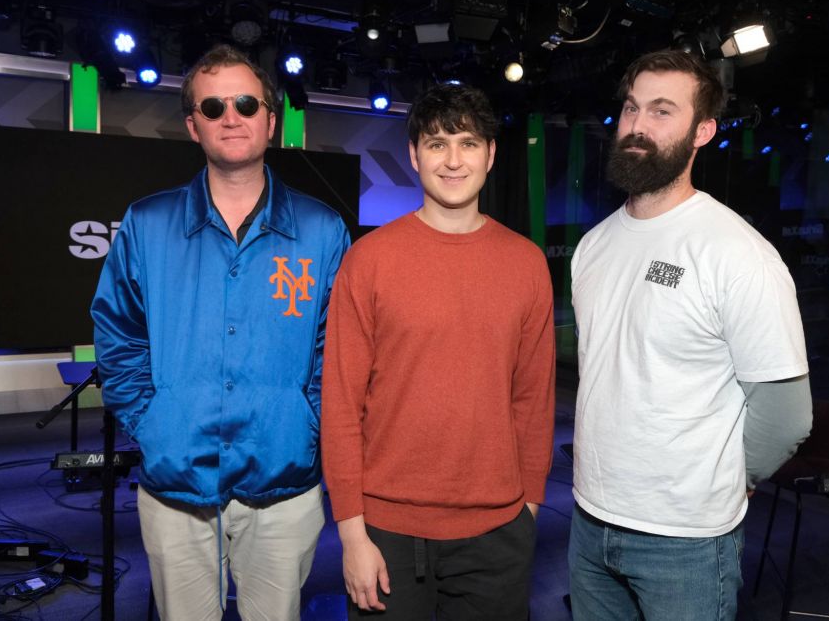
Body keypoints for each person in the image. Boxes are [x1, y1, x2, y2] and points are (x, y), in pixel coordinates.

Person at [90, 44, 350, 621]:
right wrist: (155, 422)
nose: (230, 116)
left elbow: (337, 350)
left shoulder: (322, 229)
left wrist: (306, 424)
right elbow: (119, 334)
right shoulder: (147, 223)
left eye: (244, 102)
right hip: (175, 480)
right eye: (212, 106)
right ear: (193, 126)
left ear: (271, 119)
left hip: (285, 480)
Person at [567, 49, 813, 620]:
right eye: (631, 109)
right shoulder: (594, 245)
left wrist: (731, 479)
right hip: (589, 520)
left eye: (661, 112)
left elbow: (786, 415)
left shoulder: (736, 253)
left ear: (703, 131)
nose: (637, 126)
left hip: (687, 541)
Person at [320, 82, 556, 620]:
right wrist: (352, 533)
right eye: (436, 144)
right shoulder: (369, 260)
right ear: (414, 155)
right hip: (386, 534)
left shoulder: (525, 263)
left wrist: (529, 510)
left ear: (491, 155)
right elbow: (340, 404)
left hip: (498, 533)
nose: (453, 160)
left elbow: (534, 401)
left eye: (468, 143)